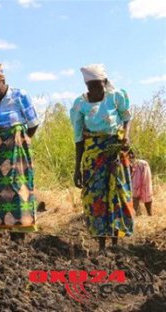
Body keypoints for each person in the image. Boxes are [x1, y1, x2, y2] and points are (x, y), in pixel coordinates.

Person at [70, 64, 134, 250]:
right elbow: (78, 138)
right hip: (93, 155)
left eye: (98, 85)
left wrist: (126, 136)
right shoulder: (80, 104)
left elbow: (126, 117)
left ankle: (115, 241)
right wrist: (77, 168)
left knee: (117, 194)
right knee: (96, 197)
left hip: (115, 152)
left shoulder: (116, 96)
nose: (94, 89)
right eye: (90, 86)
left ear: (104, 82)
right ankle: (101, 243)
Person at [0, 60, 40, 241]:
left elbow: (33, 124)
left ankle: (20, 234)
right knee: (0, 190)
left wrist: (21, 140)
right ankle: (4, 230)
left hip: (17, 149)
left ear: (2, 80)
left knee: (18, 186)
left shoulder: (19, 95)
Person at [129, 151, 153, 216]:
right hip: (133, 171)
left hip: (141, 168)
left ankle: (149, 214)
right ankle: (138, 214)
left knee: (146, 191)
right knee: (135, 194)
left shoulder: (143, 164)